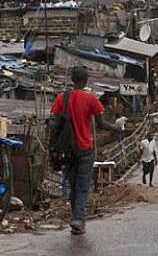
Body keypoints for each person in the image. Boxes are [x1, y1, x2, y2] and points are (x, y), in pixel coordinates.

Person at [49, 66, 118, 235]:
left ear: (72, 80)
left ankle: (76, 218)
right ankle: (78, 219)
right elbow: (101, 124)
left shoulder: (61, 98)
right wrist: (115, 127)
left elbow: (54, 123)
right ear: (86, 81)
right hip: (85, 147)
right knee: (82, 185)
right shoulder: (91, 99)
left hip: (67, 149)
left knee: (72, 184)